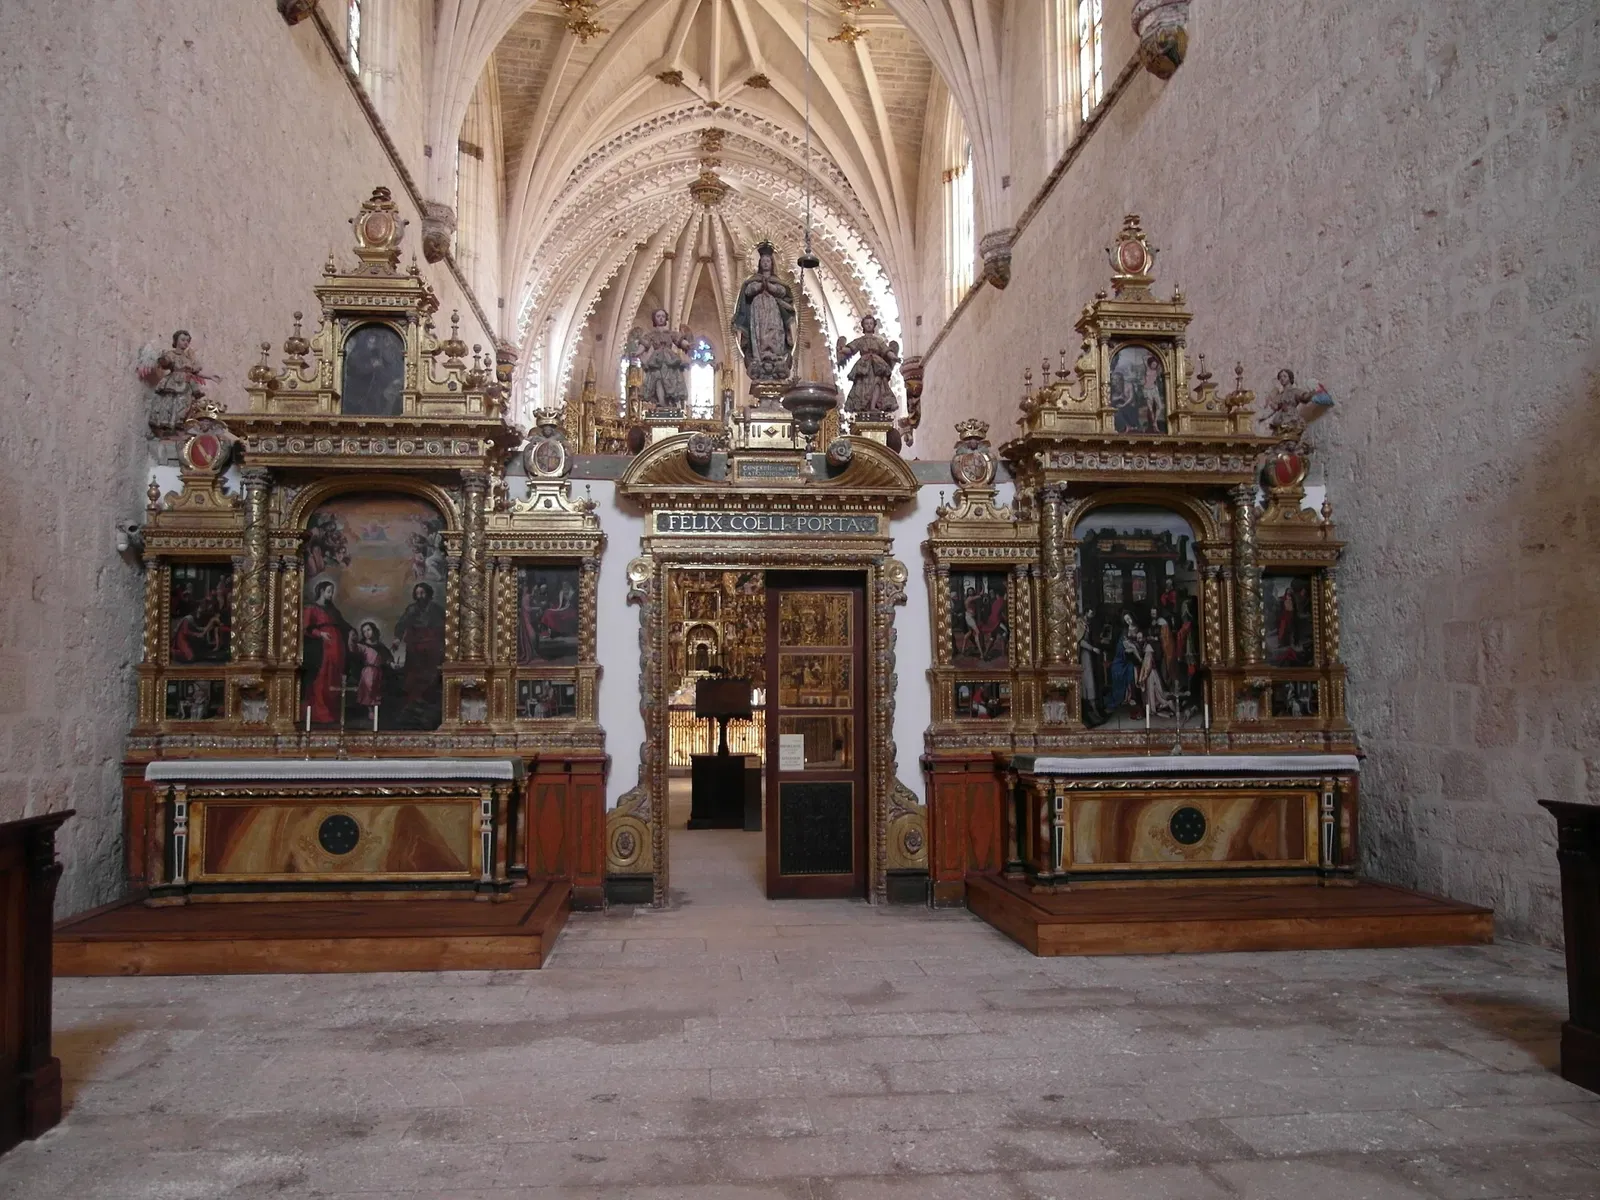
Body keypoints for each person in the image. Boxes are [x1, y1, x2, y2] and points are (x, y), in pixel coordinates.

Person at [731, 242, 797, 384]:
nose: (766, 264)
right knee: (759, 333)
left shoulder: (777, 281)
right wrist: (761, 285)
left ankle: (775, 354)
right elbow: (748, 292)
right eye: (763, 261)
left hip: (773, 310)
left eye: (768, 261)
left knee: (775, 331)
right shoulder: (753, 281)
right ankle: (760, 355)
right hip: (758, 311)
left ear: (772, 263)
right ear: (759, 263)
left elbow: (783, 292)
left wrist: (770, 287)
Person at [301, 580, 352, 724]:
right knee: (323, 676)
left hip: (337, 647)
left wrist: (352, 631)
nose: (331, 595)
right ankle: (321, 711)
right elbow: (306, 628)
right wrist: (320, 634)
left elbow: (343, 624)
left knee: (335, 677)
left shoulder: (332, 610)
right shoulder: (311, 608)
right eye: (329, 591)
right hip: (322, 647)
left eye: (332, 592)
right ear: (322, 591)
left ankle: (332, 710)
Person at [393, 582, 446, 716]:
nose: (420, 596)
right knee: (413, 673)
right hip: (415, 646)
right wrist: (397, 638)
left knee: (430, 673)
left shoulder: (436, 609)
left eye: (422, 593)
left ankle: (426, 700)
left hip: (431, 647)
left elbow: (446, 626)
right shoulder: (411, 609)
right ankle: (413, 701)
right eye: (417, 593)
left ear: (428, 593)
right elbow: (402, 623)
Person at [626, 309, 693, 411]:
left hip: (669, 360)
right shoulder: (651, 335)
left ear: (666, 318)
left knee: (671, 381)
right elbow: (644, 345)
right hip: (657, 360)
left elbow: (679, 341)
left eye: (662, 316)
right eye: (658, 316)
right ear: (654, 318)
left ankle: (670, 403)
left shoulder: (670, 334)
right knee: (658, 379)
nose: (661, 318)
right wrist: (637, 352)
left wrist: (687, 344)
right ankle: (661, 403)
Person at [837, 315, 900, 415]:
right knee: (864, 385)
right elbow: (851, 349)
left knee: (878, 382)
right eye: (867, 323)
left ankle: (873, 406)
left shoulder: (878, 341)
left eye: (871, 323)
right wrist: (842, 349)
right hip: (864, 366)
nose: (869, 325)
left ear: (874, 325)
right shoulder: (861, 340)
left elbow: (886, 350)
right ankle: (865, 405)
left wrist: (894, 357)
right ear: (863, 326)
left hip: (877, 366)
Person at [348, 620, 392, 714]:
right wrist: (351, 638)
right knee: (369, 689)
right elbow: (353, 649)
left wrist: (391, 663)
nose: (367, 633)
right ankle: (370, 710)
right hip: (368, 672)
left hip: (379, 672)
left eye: (369, 630)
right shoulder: (362, 645)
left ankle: (377, 710)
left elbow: (387, 658)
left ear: (374, 630)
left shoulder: (380, 646)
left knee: (378, 689)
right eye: (364, 631)